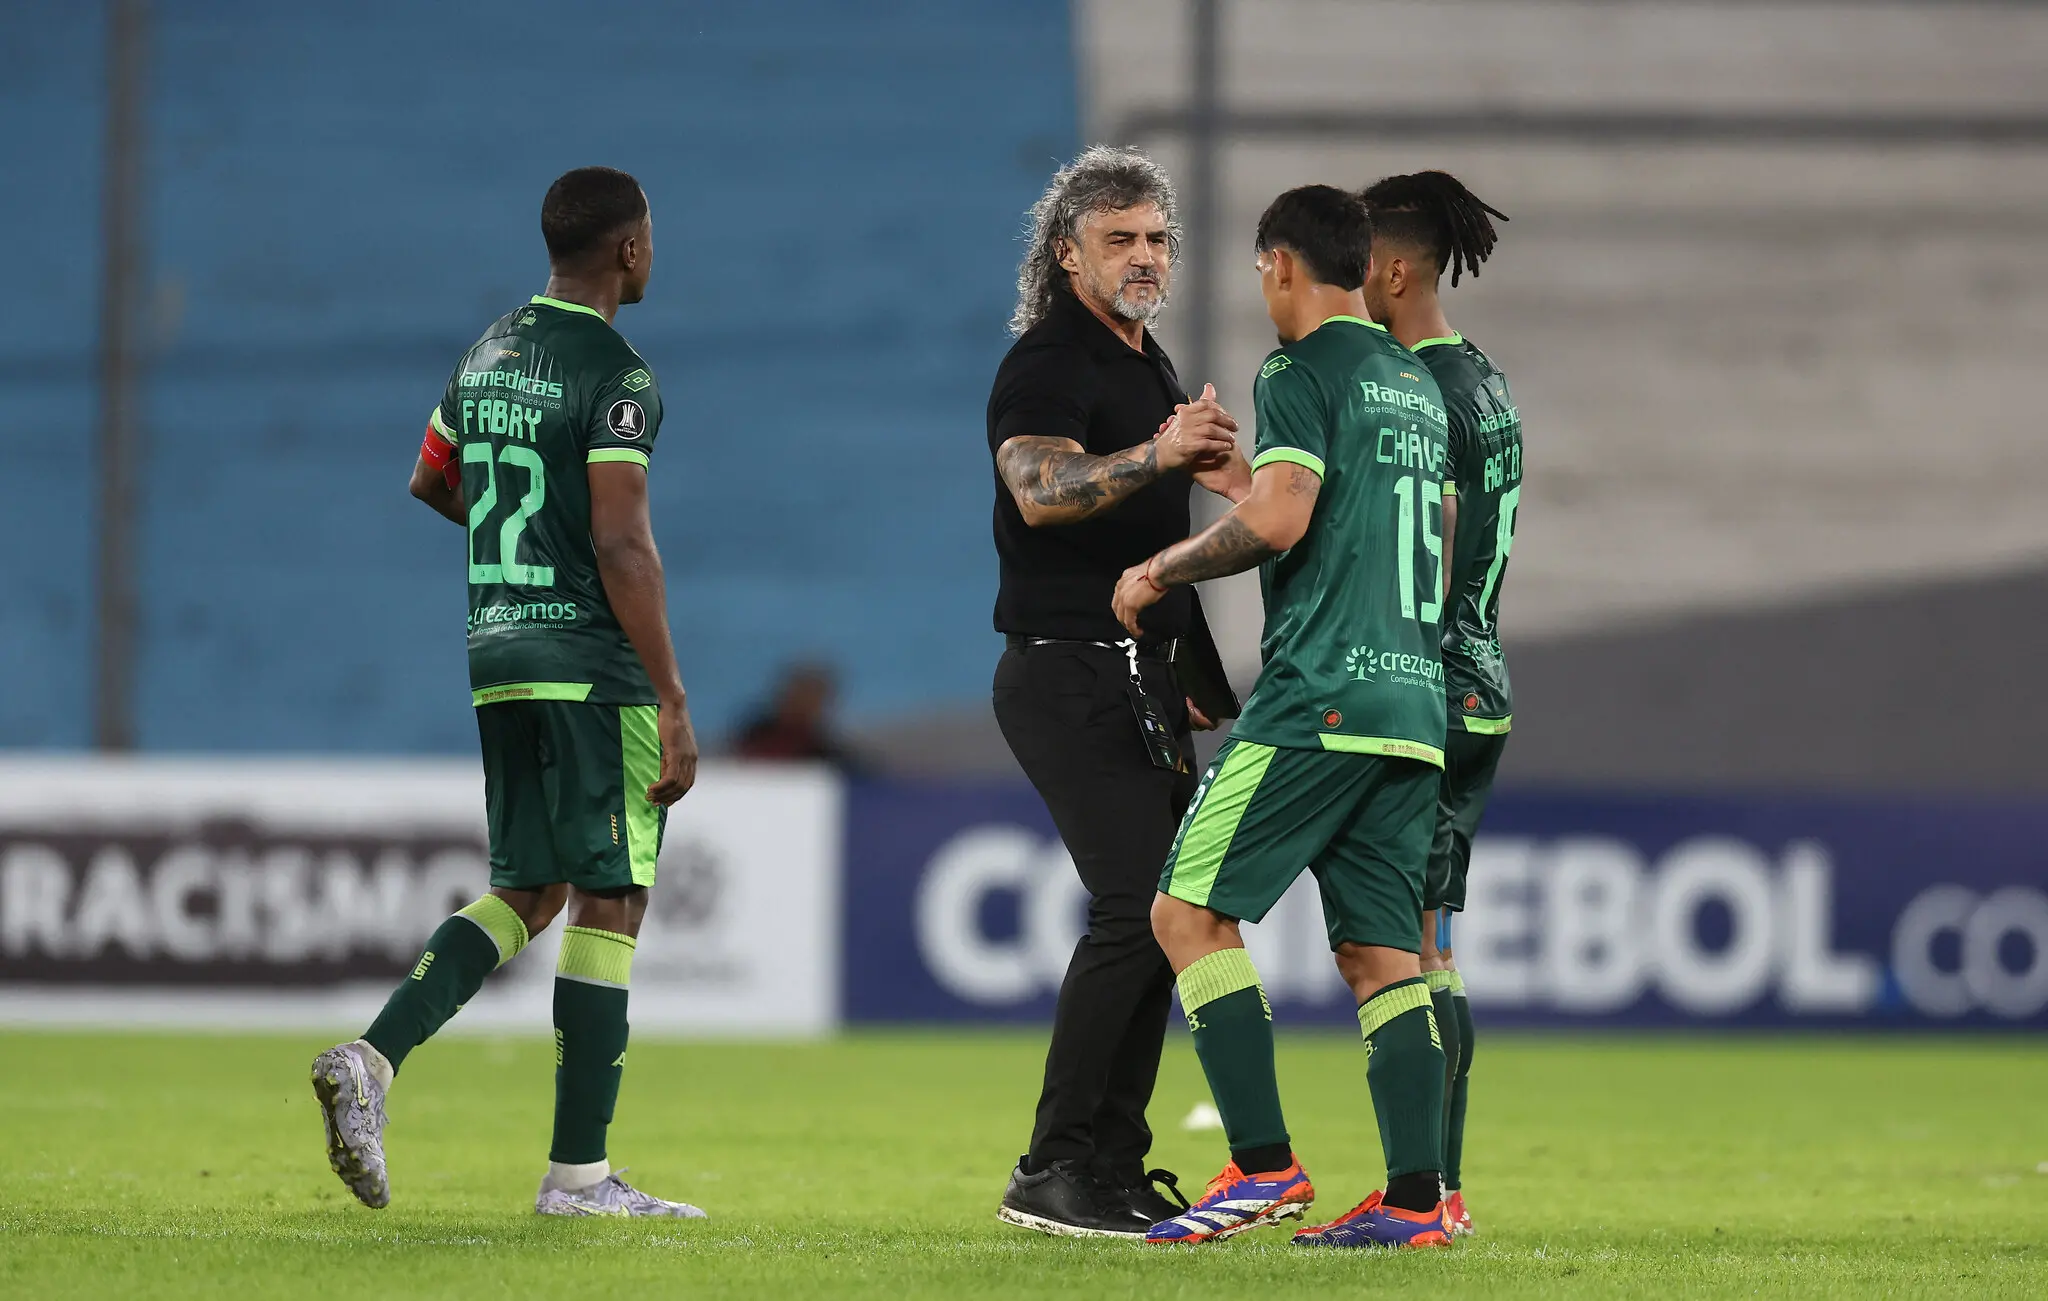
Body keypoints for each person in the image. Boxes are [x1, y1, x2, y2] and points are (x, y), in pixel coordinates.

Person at [310, 166, 705, 1219]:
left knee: (530, 888)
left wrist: (526, 552)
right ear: (628, 249)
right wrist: (670, 695)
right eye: (650, 238)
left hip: (498, 647)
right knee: (611, 895)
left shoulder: (486, 352)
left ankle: (371, 1058)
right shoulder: (617, 373)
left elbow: (432, 480)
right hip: (589, 663)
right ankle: (579, 1177)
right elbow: (623, 542)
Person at [1113, 184, 1455, 1249]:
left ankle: (1263, 1167)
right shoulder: (1412, 381)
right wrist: (1245, 481)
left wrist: (1160, 568)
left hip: (1321, 696)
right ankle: (1416, 1198)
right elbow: (1377, 521)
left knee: (1184, 913)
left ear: (1278, 264)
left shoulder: (1297, 368)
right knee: (1383, 955)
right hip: (1411, 700)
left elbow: (1282, 520)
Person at [987, 146, 1251, 1238]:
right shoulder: (1049, 360)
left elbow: (1153, 534)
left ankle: (1110, 1167)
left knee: (1162, 915)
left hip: (1136, 676)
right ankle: (1052, 1166)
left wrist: (1194, 676)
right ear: (1067, 253)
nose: (1145, 256)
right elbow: (1039, 490)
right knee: (1136, 907)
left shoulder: (1144, 363)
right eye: (1119, 239)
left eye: (1155, 238)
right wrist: (1159, 451)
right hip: (1065, 668)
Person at [1361, 170, 1518, 1239]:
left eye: (1354, 264)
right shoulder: (1485, 379)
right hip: (1482, 678)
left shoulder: (1419, 392)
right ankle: (1440, 1191)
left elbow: (1438, 544)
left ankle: (1422, 1194)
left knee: (1402, 953)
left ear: (1394, 271)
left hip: (1432, 688)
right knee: (1433, 948)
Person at [732, 662, 856, 766]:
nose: (805, 703)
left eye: (813, 697)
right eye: (801, 693)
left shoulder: (824, 752)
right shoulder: (754, 736)